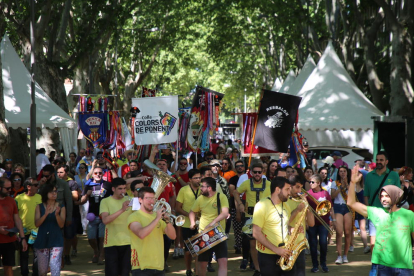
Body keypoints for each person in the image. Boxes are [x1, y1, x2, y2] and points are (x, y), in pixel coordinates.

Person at [347, 166, 414, 276]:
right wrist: (352, 183)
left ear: (395, 196)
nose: (383, 198)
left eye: (386, 196)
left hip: (404, 267)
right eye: (381, 196)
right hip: (383, 266)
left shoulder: (409, 215)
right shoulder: (376, 212)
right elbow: (351, 203)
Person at [128, 186, 176, 275]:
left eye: (153, 198)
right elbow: (141, 234)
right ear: (140, 200)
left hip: (159, 266)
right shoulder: (134, 216)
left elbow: (173, 236)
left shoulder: (158, 217)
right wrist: (157, 218)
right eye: (148, 198)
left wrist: (167, 221)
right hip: (141, 267)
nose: (151, 201)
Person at [234, 162, 271, 275]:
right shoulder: (246, 183)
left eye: (259, 172)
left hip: (266, 216)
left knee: (266, 242)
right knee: (252, 243)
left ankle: (266, 267)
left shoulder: (269, 184)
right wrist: (240, 204)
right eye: (255, 172)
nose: (257, 174)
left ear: (262, 172)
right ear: (251, 172)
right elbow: (235, 192)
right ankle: (257, 268)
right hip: (251, 216)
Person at [252, 177, 294, 276]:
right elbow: (256, 233)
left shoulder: (286, 205)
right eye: (287, 189)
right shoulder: (261, 205)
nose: (289, 192)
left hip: (286, 254)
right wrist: (277, 250)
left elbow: (284, 224)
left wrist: (291, 228)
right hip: (268, 256)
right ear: (277, 189)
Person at [189, 177, 229, 276]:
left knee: (223, 261)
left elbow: (225, 213)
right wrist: (192, 222)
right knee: (202, 264)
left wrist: (212, 223)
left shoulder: (221, 196)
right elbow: (192, 212)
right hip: (203, 234)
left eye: (202, 186)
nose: (200, 188)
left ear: (209, 188)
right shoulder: (200, 198)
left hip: (218, 233)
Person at [364, 151, 400, 251]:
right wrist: (368, 210)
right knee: (373, 243)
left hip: (388, 213)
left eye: (381, 160)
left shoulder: (393, 175)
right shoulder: (369, 176)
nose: (378, 162)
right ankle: (375, 266)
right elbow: (366, 195)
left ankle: (385, 265)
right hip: (374, 213)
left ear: (386, 161)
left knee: (387, 242)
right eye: (377, 160)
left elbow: (397, 195)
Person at [100, 178, 132, 276]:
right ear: (113, 189)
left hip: (129, 242)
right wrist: (122, 209)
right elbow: (105, 220)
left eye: (124, 188)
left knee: (125, 273)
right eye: (120, 189)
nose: (123, 191)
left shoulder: (130, 200)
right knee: (112, 273)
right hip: (111, 242)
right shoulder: (105, 201)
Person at [80, 166, 112, 265]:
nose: (98, 175)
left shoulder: (107, 185)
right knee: (91, 237)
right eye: (96, 173)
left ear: (103, 174)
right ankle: (96, 251)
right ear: (92, 174)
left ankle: (101, 256)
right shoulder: (88, 185)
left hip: (104, 215)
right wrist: (87, 195)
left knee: (102, 237)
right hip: (92, 215)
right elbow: (82, 201)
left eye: (100, 173)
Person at [34, 184, 66, 276]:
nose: (54, 193)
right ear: (46, 193)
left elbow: (61, 225)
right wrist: (46, 214)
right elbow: (37, 223)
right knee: (42, 270)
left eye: (55, 191)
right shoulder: (39, 206)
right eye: (51, 191)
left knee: (55, 267)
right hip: (42, 240)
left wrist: (56, 215)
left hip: (56, 240)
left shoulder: (61, 206)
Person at [286, 175, 315, 275]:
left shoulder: (301, 200)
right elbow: (285, 222)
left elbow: (311, 223)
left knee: (301, 273)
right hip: (287, 243)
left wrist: (308, 208)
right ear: (290, 186)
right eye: (297, 187)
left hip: (300, 243)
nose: (300, 190)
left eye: (301, 187)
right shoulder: (284, 201)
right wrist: (298, 210)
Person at [0, 177, 28, 276]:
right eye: (7, 188)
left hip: (10, 240)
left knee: (9, 267)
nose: (9, 191)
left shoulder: (11, 201)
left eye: (10, 188)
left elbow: (17, 219)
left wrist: (23, 237)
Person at [176, 169, 201, 276]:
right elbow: (177, 208)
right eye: (196, 178)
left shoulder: (203, 189)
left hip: (201, 223)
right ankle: (188, 269)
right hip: (187, 224)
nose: (198, 180)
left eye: (200, 177)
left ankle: (197, 270)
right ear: (190, 179)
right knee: (188, 250)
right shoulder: (183, 190)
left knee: (199, 249)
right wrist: (190, 215)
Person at [15, 178, 42, 276]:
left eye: (37, 184)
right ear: (28, 187)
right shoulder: (18, 198)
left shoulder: (40, 197)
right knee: (24, 256)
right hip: (23, 232)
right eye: (35, 185)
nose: (37, 187)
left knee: (37, 255)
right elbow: (14, 215)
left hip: (36, 231)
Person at [306, 174, 332, 273]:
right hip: (312, 223)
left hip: (323, 222)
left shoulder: (325, 193)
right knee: (313, 244)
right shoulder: (307, 194)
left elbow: (330, 207)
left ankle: (323, 264)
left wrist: (332, 220)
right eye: (310, 182)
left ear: (318, 183)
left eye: (312, 182)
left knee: (323, 243)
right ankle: (315, 265)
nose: (310, 184)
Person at [56, 165, 81, 265]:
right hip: (57, 213)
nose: (59, 174)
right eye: (58, 172)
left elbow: (75, 197)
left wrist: (66, 193)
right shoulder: (54, 183)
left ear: (66, 173)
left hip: (71, 212)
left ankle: (67, 255)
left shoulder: (71, 183)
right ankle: (59, 256)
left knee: (69, 236)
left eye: (61, 172)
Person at [331, 166, 353, 264]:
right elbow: (332, 196)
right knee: (339, 232)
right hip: (338, 206)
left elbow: (353, 196)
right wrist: (340, 188)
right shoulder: (334, 183)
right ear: (338, 173)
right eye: (341, 171)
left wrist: (347, 185)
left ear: (347, 173)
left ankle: (345, 255)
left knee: (347, 232)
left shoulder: (352, 183)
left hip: (347, 207)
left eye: (344, 171)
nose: (343, 173)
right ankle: (339, 255)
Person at [228, 160, 245, 254]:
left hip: (246, 205)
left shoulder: (247, 178)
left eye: (241, 165)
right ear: (235, 168)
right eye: (238, 166)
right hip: (235, 206)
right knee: (237, 228)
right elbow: (232, 192)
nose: (240, 167)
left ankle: (245, 246)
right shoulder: (233, 179)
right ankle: (238, 246)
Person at [74, 163, 89, 235]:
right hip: (79, 196)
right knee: (80, 212)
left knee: (86, 211)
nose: (81, 169)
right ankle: (82, 228)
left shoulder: (88, 176)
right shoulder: (75, 177)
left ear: (86, 169)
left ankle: (86, 228)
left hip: (87, 196)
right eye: (80, 168)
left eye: (82, 168)